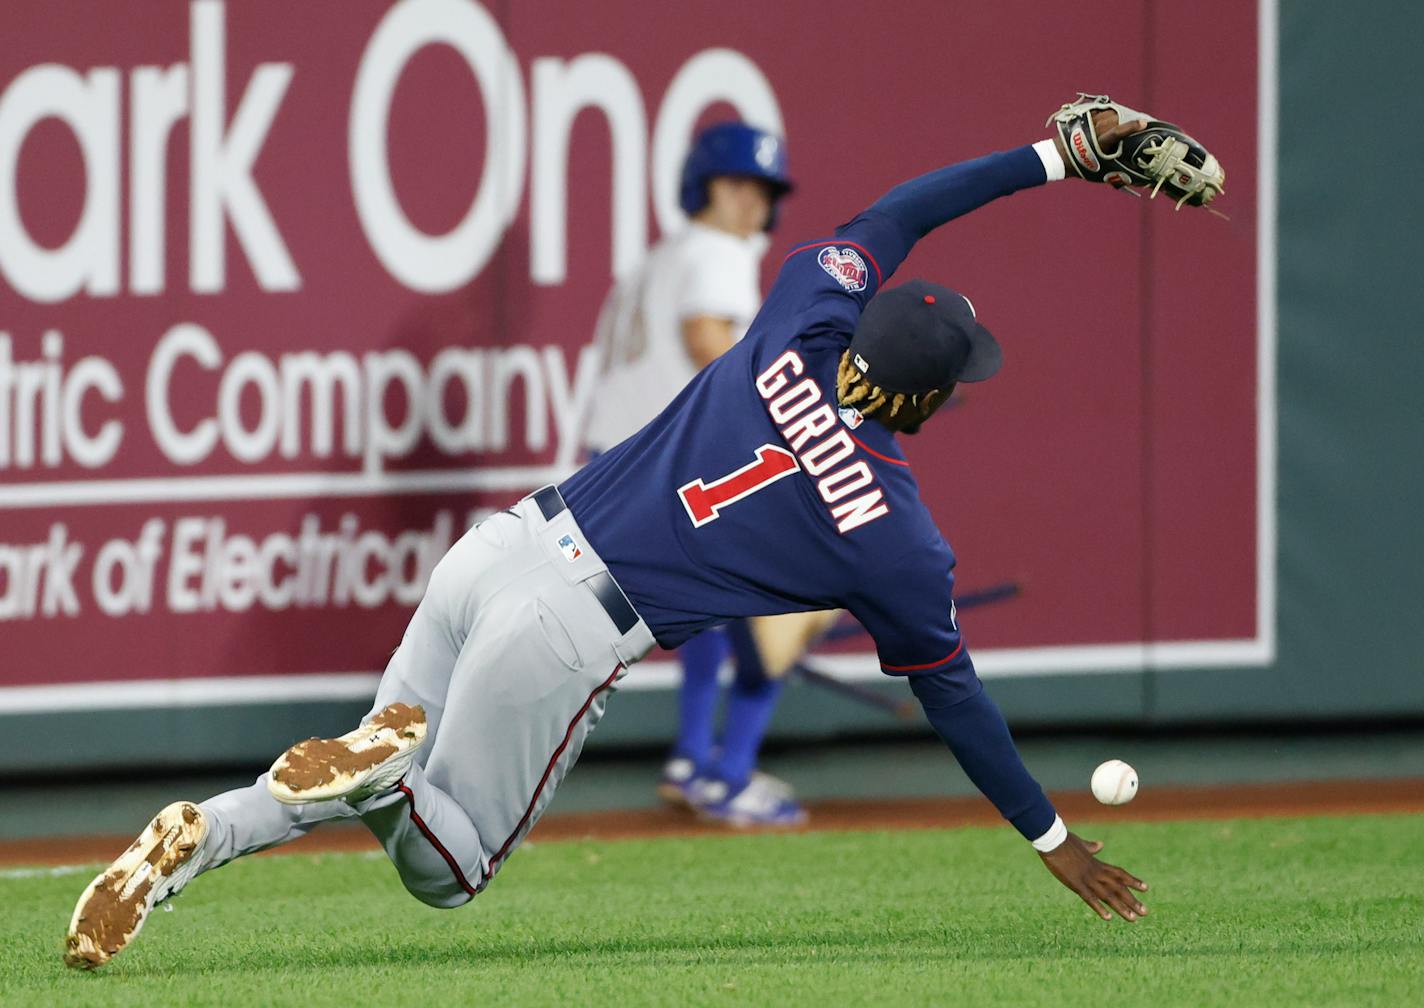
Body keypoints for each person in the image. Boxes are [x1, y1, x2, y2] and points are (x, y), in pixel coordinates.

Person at [65, 104, 1159, 971]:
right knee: (446, 872)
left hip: (501, 547)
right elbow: (953, 696)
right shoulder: (894, 541)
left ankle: (184, 852)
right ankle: (385, 780)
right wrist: (1047, 838)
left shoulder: (798, 309)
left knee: (370, 750)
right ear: (924, 405)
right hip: (569, 631)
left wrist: (1053, 155)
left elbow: (903, 208)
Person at [583, 120, 831, 827]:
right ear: (707, 187)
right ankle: (726, 776)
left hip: (614, 466)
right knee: (810, 586)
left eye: (762, 187)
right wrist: (797, 405)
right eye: (737, 184)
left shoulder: (656, 260)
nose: (750, 200)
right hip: (669, 465)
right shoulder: (718, 250)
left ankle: (695, 761)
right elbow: (707, 338)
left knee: (707, 616)